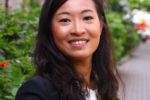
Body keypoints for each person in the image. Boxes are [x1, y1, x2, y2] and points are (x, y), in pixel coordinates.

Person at [15, 0, 120, 100]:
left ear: (101, 25)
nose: (78, 30)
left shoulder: (103, 86)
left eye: (87, 18)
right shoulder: (36, 92)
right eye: (65, 20)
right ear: (49, 29)